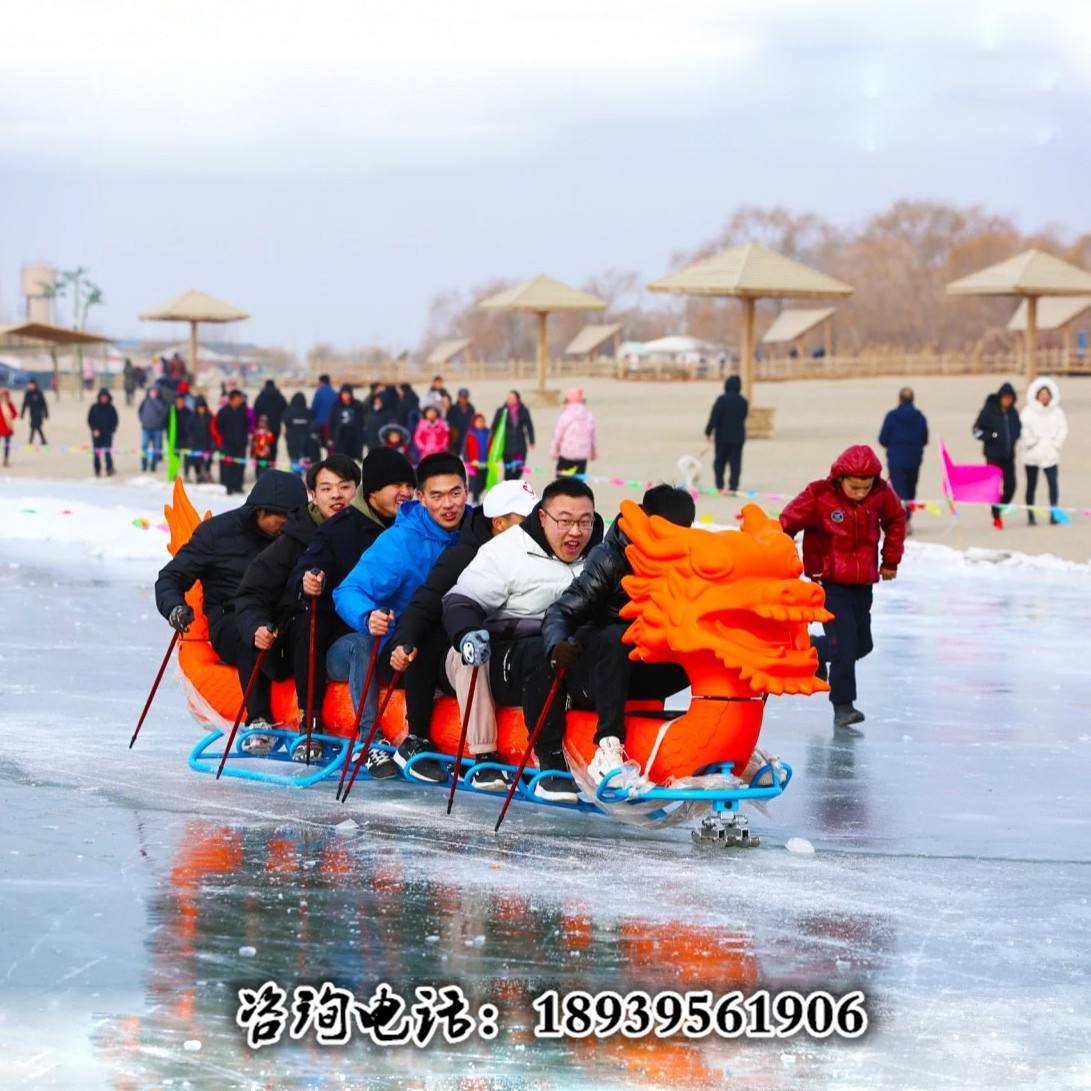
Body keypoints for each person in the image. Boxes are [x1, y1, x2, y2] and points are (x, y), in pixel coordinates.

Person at [443, 478, 603, 802]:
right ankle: (530, 761)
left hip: (573, 651)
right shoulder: (506, 550)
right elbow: (460, 599)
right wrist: (466, 633)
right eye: (566, 521)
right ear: (542, 517)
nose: (576, 532)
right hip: (508, 653)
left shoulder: (600, 554)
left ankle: (612, 747)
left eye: (584, 522)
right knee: (516, 654)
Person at [389, 479, 540, 787]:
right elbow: (424, 604)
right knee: (464, 648)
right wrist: (403, 642)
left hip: (509, 652)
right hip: (452, 654)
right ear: (499, 523)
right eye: (525, 520)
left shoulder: (537, 553)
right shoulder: (465, 556)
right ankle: (442, 745)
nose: (536, 527)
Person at [328, 453, 469, 777]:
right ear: (421, 497)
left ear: (466, 490)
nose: (448, 504)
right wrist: (368, 616)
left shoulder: (473, 530)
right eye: (436, 496)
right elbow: (347, 591)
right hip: (401, 650)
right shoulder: (400, 542)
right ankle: (390, 739)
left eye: (455, 493)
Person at [541, 485, 695, 784]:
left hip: (641, 669)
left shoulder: (684, 560)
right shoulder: (611, 557)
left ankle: (711, 733)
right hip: (596, 670)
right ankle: (608, 745)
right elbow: (561, 611)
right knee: (618, 635)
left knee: (701, 643)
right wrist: (557, 645)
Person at [154, 471, 309, 742]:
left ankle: (316, 721)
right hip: (230, 619)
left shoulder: (297, 537)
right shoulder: (217, 534)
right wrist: (174, 607)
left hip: (282, 617)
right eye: (282, 518)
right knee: (250, 633)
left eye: (294, 518)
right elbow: (171, 577)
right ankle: (259, 718)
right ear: (260, 510)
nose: (287, 525)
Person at [233, 456, 362, 757]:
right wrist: (257, 627)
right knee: (308, 616)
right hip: (299, 638)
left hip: (349, 637)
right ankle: (309, 720)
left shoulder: (369, 533)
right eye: (327, 488)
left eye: (345, 487)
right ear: (314, 496)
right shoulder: (295, 540)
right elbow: (251, 592)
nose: (337, 495)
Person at [779, 445, 906, 731]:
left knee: (862, 644)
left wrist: (891, 560)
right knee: (846, 646)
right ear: (840, 479)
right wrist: (781, 556)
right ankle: (843, 707)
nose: (861, 493)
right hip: (829, 582)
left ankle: (814, 650)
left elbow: (897, 520)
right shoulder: (819, 495)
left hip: (863, 582)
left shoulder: (881, 495)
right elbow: (785, 523)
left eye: (866, 487)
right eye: (854, 487)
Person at [290, 448, 417, 720]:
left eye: (410, 485)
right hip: (344, 640)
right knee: (362, 643)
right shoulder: (338, 529)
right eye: (396, 485)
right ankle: (367, 736)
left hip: (397, 635)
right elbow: (305, 569)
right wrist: (309, 581)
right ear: (372, 491)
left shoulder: (416, 529)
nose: (405, 492)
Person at [878, 387, 928, 530]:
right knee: (911, 490)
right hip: (914, 460)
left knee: (900, 492)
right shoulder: (920, 417)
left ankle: (902, 522)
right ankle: (906, 520)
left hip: (896, 460)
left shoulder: (892, 416)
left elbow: (882, 439)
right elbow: (925, 439)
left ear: (899, 399)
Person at [1020, 377, 1068, 525]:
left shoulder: (1057, 412)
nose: (1044, 396)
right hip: (1032, 454)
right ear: (1036, 395)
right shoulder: (1028, 411)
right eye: (1042, 393)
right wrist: (1031, 443)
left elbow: (1063, 428)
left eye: (1047, 393)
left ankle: (1054, 514)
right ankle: (1030, 515)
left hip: (1050, 453)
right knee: (1031, 485)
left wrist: (1056, 444)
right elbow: (1023, 429)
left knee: (1053, 484)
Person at [973, 381, 1021, 528]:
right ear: (1000, 397)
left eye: (1010, 398)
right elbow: (976, 431)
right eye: (1006, 398)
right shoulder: (988, 411)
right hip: (993, 455)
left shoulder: (1013, 412)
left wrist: (1014, 436)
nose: (1008, 401)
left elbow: (1018, 428)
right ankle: (996, 516)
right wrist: (991, 436)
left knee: (1011, 486)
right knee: (994, 488)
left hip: (1009, 456)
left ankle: (1001, 505)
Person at [704, 375, 748, 493]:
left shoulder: (721, 400)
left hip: (722, 437)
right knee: (735, 463)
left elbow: (714, 417)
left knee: (719, 462)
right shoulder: (743, 401)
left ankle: (720, 485)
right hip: (738, 437)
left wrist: (708, 431)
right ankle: (733, 486)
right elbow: (743, 416)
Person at [550, 387, 597, 476]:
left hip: (567, 453)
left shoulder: (565, 415)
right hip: (583, 454)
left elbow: (558, 434)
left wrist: (554, 449)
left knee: (561, 479)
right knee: (578, 481)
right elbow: (593, 435)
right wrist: (593, 451)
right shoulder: (588, 415)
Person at [491, 390, 535, 481]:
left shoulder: (523, 410)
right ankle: (508, 486)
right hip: (506, 445)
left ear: (518, 399)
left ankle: (512, 481)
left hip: (520, 444)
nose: (509, 400)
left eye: (512, 398)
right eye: (508, 398)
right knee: (508, 469)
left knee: (520, 466)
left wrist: (531, 440)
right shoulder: (501, 411)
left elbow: (529, 425)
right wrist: (494, 440)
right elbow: (494, 426)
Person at [216, 389, 251, 495]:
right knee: (229, 466)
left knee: (240, 466)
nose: (240, 401)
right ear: (231, 399)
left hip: (241, 444)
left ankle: (238, 486)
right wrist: (226, 439)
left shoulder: (242, 411)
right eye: (238, 399)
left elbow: (246, 426)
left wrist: (244, 440)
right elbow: (219, 427)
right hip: (228, 445)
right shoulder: (223, 412)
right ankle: (229, 486)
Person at [254, 379, 288, 462]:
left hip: (263, 427)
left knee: (262, 446)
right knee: (273, 445)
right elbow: (285, 410)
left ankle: (262, 466)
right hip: (276, 426)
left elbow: (256, 410)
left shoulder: (260, 397)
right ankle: (272, 463)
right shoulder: (280, 397)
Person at [87, 388, 119, 477]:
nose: (104, 399)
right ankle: (97, 470)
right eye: (102, 397)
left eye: (105, 397)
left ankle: (109, 468)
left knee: (107, 453)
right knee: (97, 454)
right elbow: (90, 420)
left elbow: (115, 420)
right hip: (96, 435)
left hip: (108, 435)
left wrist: (112, 430)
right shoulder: (94, 407)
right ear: (99, 397)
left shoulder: (111, 408)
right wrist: (94, 430)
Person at [331, 384, 366, 461]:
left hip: (353, 436)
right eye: (344, 394)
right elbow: (332, 421)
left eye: (347, 394)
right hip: (340, 436)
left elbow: (361, 420)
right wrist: (331, 437)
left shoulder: (356, 405)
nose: (345, 396)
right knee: (340, 458)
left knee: (352, 459)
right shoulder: (336, 405)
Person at [138, 385, 168, 471]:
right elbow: (140, 411)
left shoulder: (162, 402)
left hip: (157, 429)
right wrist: (143, 420)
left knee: (157, 447)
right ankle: (144, 464)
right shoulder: (145, 401)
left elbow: (164, 414)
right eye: (152, 391)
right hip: (146, 428)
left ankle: (153, 465)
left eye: (155, 391)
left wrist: (160, 422)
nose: (153, 393)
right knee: (144, 446)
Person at [185, 397, 215, 483]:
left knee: (207, 460)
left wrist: (211, 441)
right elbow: (189, 429)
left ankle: (207, 474)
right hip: (196, 443)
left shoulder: (209, 417)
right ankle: (198, 475)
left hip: (207, 442)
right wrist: (192, 439)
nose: (201, 409)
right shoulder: (192, 417)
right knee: (196, 460)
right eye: (199, 407)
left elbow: (212, 429)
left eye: (202, 407)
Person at [462, 413, 490, 502]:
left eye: (482, 421)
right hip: (474, 463)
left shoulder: (488, 433)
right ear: (474, 423)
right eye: (478, 422)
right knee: (475, 482)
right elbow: (465, 449)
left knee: (483, 483)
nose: (481, 423)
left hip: (485, 463)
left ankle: (475, 493)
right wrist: (467, 461)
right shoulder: (470, 434)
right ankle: (475, 500)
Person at [283, 393, 314, 472]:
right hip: (306, 441)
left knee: (294, 461)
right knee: (306, 462)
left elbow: (286, 421)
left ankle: (296, 479)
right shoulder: (308, 412)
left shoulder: (289, 411)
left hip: (292, 440)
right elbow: (312, 424)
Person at [310, 374, 337, 448]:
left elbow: (314, 407)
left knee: (317, 444)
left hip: (321, 423)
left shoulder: (319, 393)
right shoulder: (334, 393)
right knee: (330, 446)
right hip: (332, 423)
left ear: (321, 382)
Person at [446, 388, 475, 454]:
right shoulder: (452, 408)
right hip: (455, 438)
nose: (463, 399)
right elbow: (448, 423)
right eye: (461, 397)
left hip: (467, 437)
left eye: (465, 397)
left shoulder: (471, 409)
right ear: (458, 397)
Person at [21, 379, 49, 446]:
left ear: (35, 385)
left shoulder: (39, 393)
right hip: (32, 413)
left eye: (31, 385)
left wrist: (46, 413)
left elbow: (44, 404)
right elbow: (24, 404)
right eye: (29, 385)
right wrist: (22, 414)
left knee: (34, 426)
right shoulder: (28, 393)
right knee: (37, 427)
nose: (30, 386)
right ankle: (43, 440)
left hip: (39, 413)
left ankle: (31, 441)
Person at [0, 387, 17, 466]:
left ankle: (6, 460)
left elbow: (15, 414)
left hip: (7, 427)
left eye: (6, 396)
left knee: (7, 445)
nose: (4, 397)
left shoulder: (10, 404)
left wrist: (10, 416)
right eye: (3, 396)